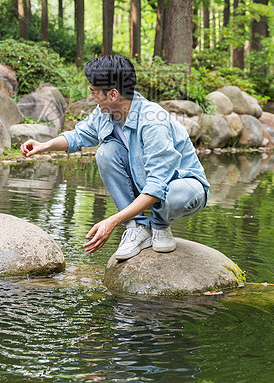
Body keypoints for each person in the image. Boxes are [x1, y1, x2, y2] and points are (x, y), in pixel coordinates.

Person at [21, 55, 210, 260]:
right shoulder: (105, 111)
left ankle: (159, 225)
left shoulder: (153, 121)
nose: (91, 96)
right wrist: (44, 146)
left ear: (113, 94)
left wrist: (112, 221)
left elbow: (158, 185)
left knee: (176, 193)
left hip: (184, 189)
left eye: (93, 91)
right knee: (106, 152)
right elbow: (79, 135)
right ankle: (137, 226)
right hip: (146, 184)